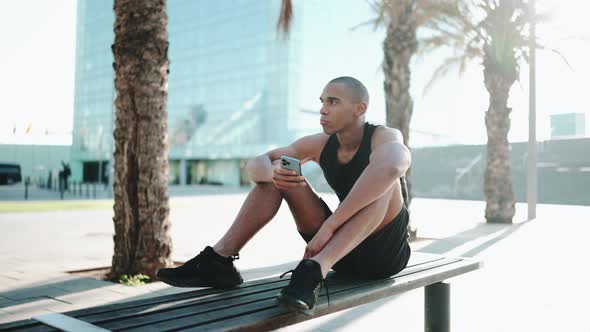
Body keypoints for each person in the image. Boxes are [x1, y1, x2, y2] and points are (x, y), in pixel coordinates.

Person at [156, 76, 412, 313]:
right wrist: (273, 174)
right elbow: (257, 164)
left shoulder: (384, 136)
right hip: (340, 251)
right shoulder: (319, 144)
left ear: (360, 109)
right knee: (279, 169)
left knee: (386, 184)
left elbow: (391, 166)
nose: (323, 109)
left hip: (382, 257)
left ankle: (313, 272)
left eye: (333, 102)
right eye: (322, 102)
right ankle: (219, 261)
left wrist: (329, 227)